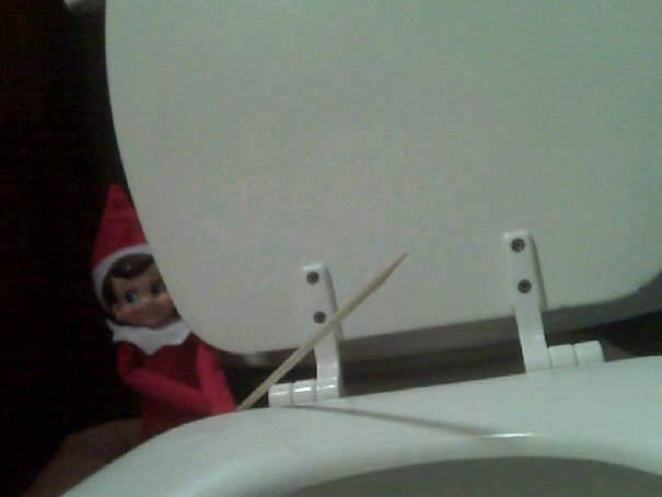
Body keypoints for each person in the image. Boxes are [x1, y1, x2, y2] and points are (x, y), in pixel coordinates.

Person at [91, 184, 236, 437]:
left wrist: (220, 407)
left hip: (206, 415)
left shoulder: (187, 331)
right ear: (113, 307)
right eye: (131, 297)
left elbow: (209, 368)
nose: (147, 302)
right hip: (162, 419)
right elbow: (134, 375)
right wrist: (197, 402)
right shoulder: (132, 344)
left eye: (157, 288)